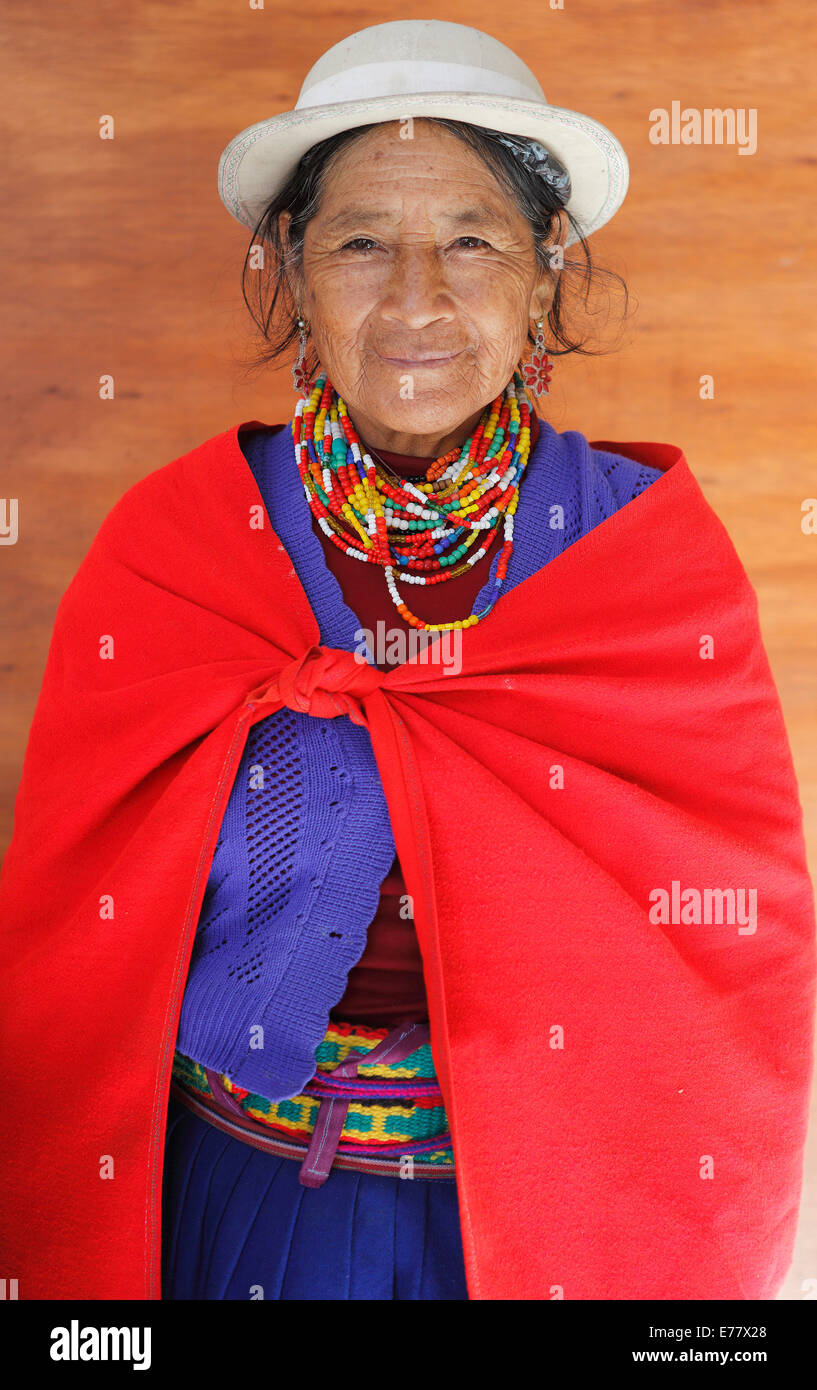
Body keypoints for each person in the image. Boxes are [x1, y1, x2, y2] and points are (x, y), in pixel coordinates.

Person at [1, 20, 813, 1303]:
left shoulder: (635, 559)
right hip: (240, 1207)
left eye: (473, 239)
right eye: (362, 241)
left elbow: (731, 957)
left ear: (545, 271)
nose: (418, 297)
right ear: (290, 270)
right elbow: (75, 946)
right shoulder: (179, 546)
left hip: (535, 1227)